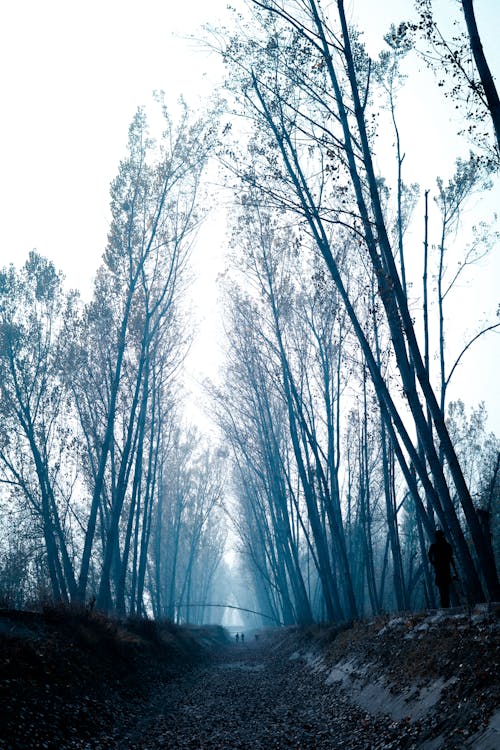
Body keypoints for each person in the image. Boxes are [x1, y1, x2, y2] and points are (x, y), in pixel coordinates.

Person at [428, 529, 458, 608]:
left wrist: (434, 563)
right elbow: (451, 558)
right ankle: (445, 607)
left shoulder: (436, 546)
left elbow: (429, 556)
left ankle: (445, 607)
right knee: (444, 590)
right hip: (443, 570)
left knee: (443, 590)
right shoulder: (445, 546)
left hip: (441, 570)